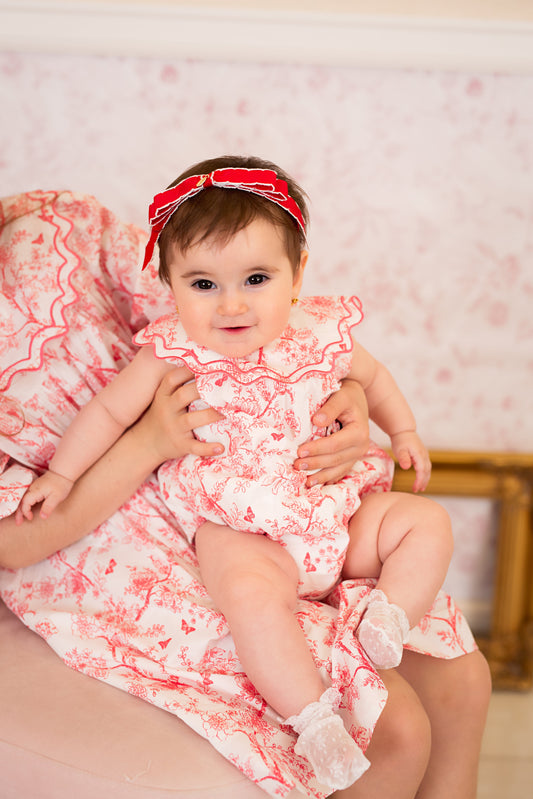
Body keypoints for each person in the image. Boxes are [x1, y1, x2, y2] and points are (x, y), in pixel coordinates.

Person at [17, 156, 455, 791]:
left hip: (333, 514)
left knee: (424, 522)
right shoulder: (173, 350)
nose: (231, 304)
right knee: (251, 602)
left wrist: (404, 432)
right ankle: (313, 721)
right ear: (169, 284)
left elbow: (375, 380)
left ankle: (389, 619)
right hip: (239, 529)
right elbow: (108, 413)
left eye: (255, 278)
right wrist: (61, 474)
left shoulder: (321, 331)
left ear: (297, 275)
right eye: (202, 284)